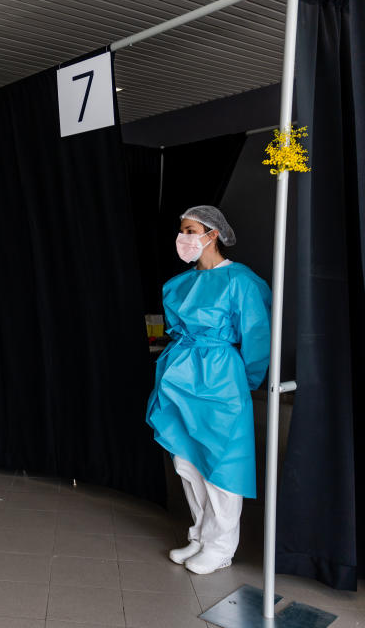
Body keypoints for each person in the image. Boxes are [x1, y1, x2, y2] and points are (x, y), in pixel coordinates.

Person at [145, 205, 271, 575]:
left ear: (212, 234)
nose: (183, 238)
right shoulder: (178, 284)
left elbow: (257, 339)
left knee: (220, 465)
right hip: (180, 379)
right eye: (181, 231)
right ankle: (200, 535)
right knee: (186, 461)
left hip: (220, 380)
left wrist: (241, 387)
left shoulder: (242, 282)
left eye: (190, 230)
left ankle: (220, 547)